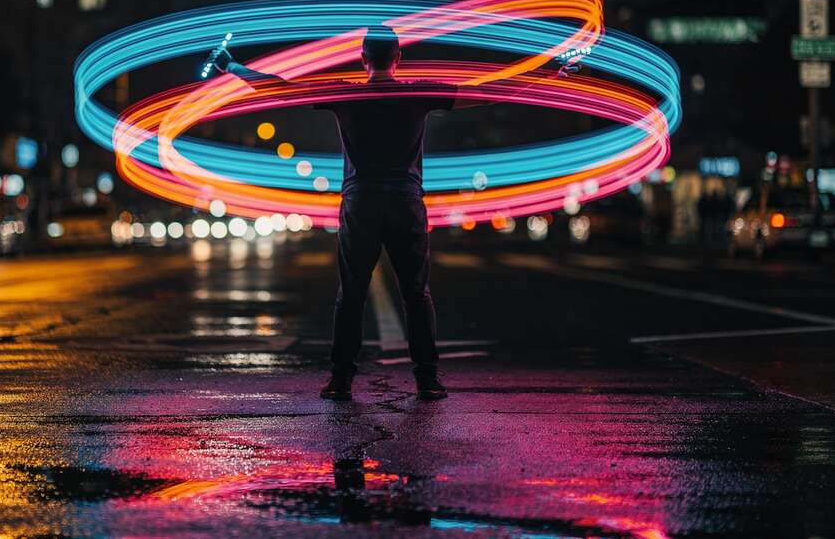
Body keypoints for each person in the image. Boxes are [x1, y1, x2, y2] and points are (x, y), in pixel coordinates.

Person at [212, 25, 570, 401]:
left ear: (362, 58)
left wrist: (232, 66)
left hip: (360, 201)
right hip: (405, 201)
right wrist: (548, 71)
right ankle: (428, 379)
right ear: (398, 58)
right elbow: (488, 93)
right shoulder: (417, 92)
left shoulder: (346, 94)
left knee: (351, 293)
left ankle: (341, 379)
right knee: (416, 293)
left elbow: (279, 88)